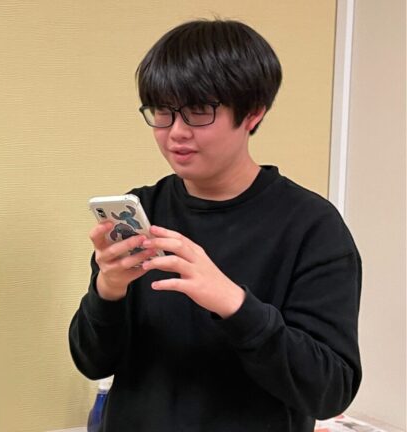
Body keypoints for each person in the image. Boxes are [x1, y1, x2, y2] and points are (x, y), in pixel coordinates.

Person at [69, 19, 362, 431]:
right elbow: (92, 362)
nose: (176, 133)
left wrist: (235, 306)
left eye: (198, 112)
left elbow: (330, 390)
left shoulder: (312, 227)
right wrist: (108, 292)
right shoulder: (143, 212)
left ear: (253, 113)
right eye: (162, 112)